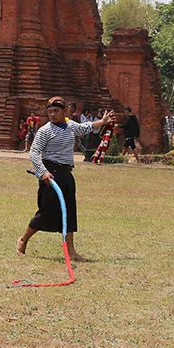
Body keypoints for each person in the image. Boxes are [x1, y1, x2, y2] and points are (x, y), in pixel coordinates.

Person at [17, 97, 114, 261]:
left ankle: (71, 250)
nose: (53, 114)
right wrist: (43, 172)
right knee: (47, 212)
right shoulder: (45, 130)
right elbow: (34, 153)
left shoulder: (70, 126)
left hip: (66, 173)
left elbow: (86, 128)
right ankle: (23, 239)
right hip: (50, 174)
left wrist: (102, 121)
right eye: (50, 111)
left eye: (56, 111)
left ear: (64, 112)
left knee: (69, 212)